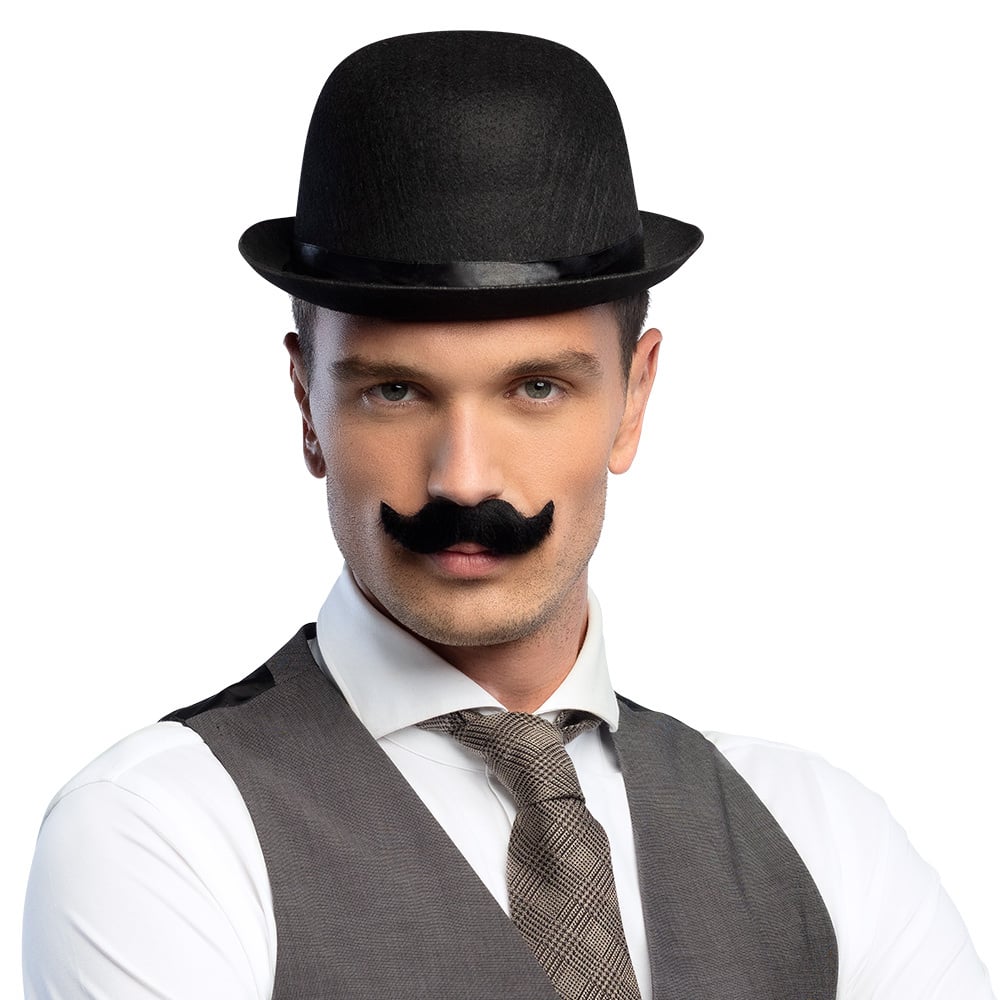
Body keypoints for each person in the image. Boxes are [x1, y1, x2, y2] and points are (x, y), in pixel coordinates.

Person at [23, 30, 994, 1000]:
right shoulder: (163, 832)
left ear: (634, 397)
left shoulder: (822, 836)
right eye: (395, 390)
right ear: (306, 406)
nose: (463, 479)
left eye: (535, 388)